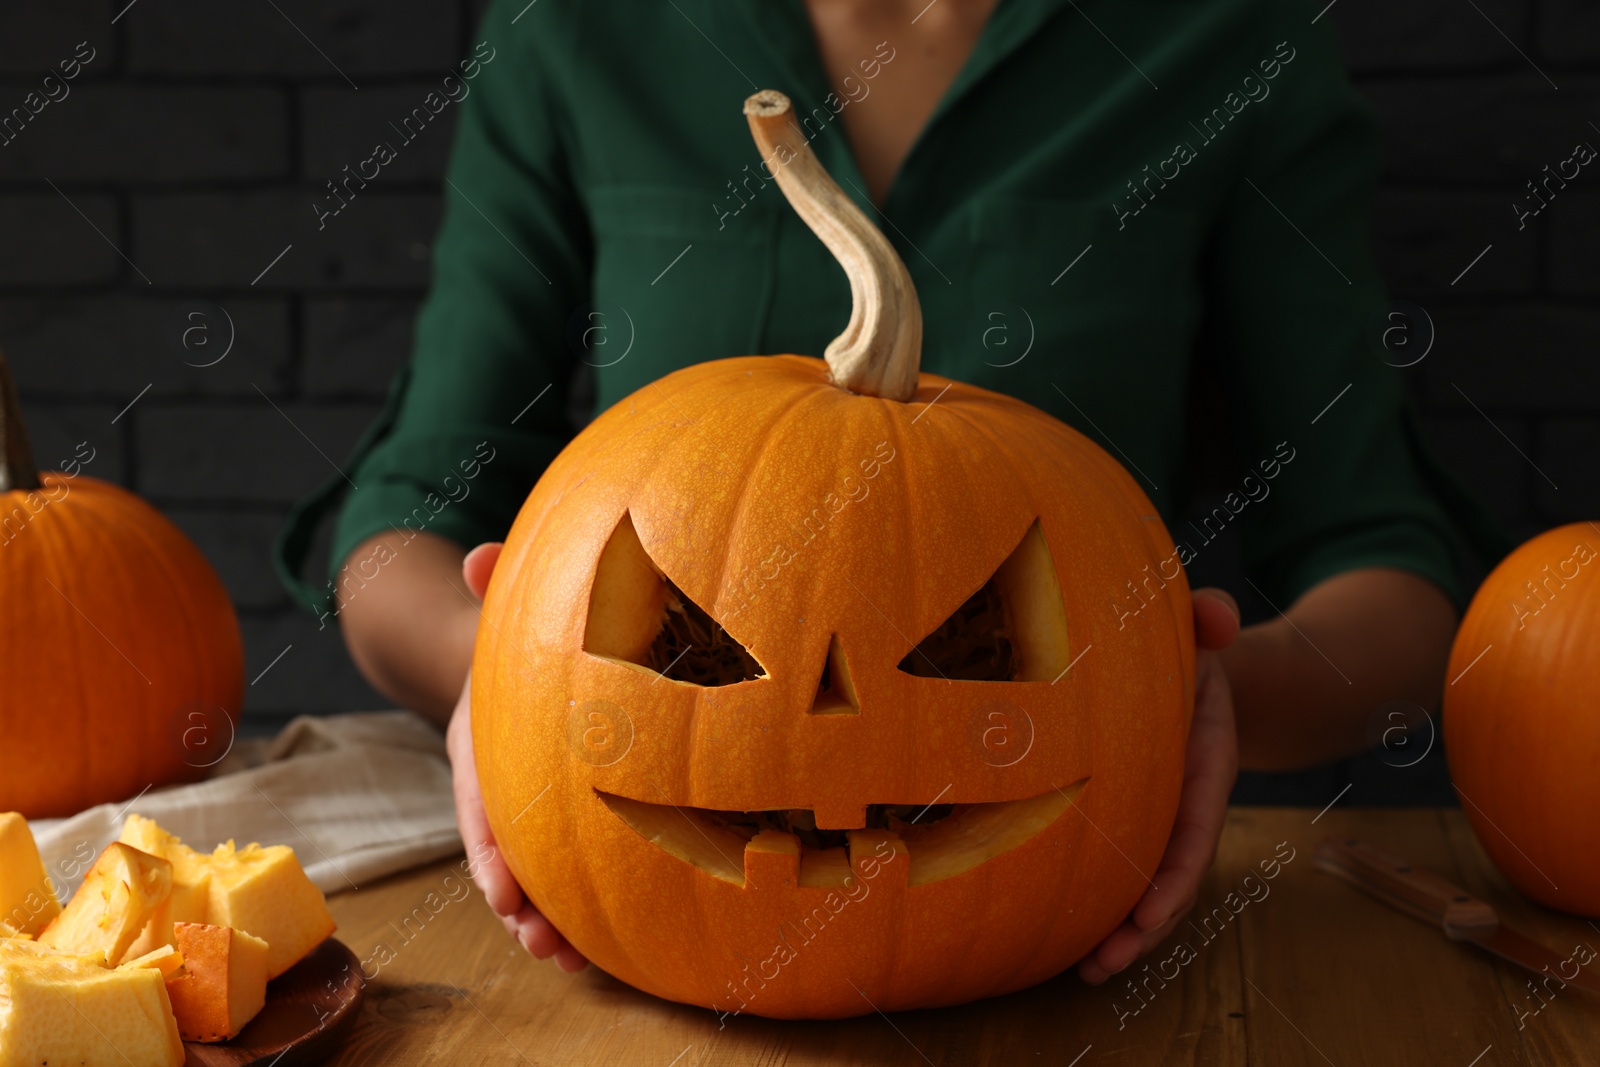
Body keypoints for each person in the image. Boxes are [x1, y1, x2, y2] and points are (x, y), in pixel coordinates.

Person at [277, 0, 1505, 987]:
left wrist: (1185, 699)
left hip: (1055, 885)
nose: (833, 722)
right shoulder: (575, 28)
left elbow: (1387, 565)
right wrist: (512, 676)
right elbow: (405, 521)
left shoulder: (1228, 38)